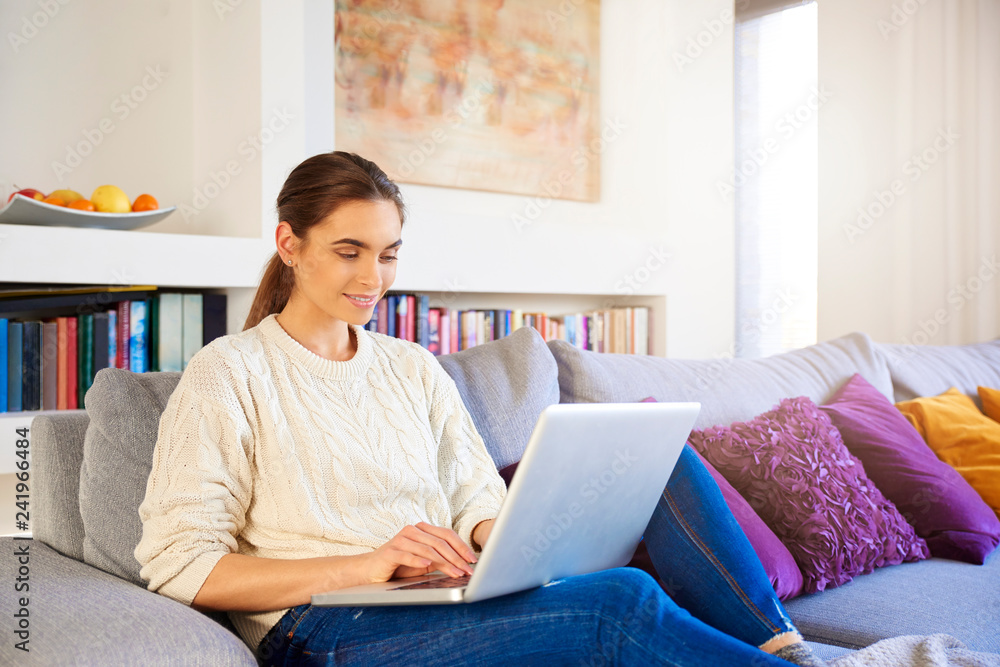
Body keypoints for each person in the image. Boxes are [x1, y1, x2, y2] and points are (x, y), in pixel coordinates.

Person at [134, 151, 825, 666]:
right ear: (290, 244)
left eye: (388, 254)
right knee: (621, 600)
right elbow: (180, 563)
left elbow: (472, 498)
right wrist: (364, 564)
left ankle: (786, 647)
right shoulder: (230, 371)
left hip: (440, 593)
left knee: (661, 459)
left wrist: (517, 537)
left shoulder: (411, 366)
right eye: (349, 252)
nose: (373, 277)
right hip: (324, 626)